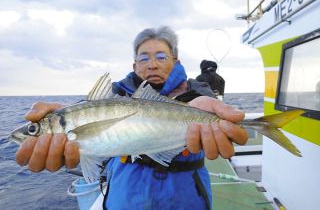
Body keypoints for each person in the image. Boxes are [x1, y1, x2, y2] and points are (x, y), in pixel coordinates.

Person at [15, 26, 248, 210]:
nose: (152, 63)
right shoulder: (118, 93)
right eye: (144, 58)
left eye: (161, 56)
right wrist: (70, 117)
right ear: (134, 64)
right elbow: (88, 111)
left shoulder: (199, 94)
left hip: (187, 198)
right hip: (125, 198)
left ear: (176, 61)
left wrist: (214, 117)